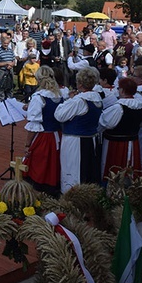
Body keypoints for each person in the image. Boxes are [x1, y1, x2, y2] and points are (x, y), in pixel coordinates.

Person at [54, 67, 103, 193]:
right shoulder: (96, 98)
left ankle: (73, 196)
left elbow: (59, 115)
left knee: (73, 169)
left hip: (75, 141)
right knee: (86, 169)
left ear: (80, 83)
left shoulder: (79, 101)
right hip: (90, 139)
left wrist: (69, 100)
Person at [22, 66, 63, 196]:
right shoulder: (60, 95)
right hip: (58, 135)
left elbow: (33, 124)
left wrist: (27, 145)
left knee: (39, 164)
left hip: (44, 137)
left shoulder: (39, 97)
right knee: (54, 163)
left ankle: (39, 191)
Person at [99, 78, 142, 179]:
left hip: (115, 144)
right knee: (130, 165)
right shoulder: (141, 106)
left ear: (122, 90)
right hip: (133, 142)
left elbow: (104, 123)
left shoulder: (118, 107)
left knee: (114, 167)